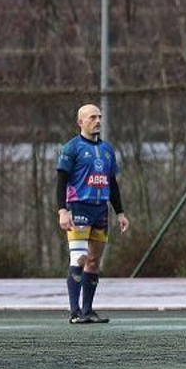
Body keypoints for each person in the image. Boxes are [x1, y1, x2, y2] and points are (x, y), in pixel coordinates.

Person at [54, 103, 128, 324]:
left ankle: (88, 310)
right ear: (80, 122)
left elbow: (112, 183)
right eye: (92, 117)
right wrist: (62, 211)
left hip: (100, 210)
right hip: (79, 208)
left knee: (94, 261)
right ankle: (74, 312)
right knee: (79, 257)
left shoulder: (107, 150)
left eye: (99, 117)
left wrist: (121, 212)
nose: (97, 121)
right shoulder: (71, 148)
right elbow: (61, 181)